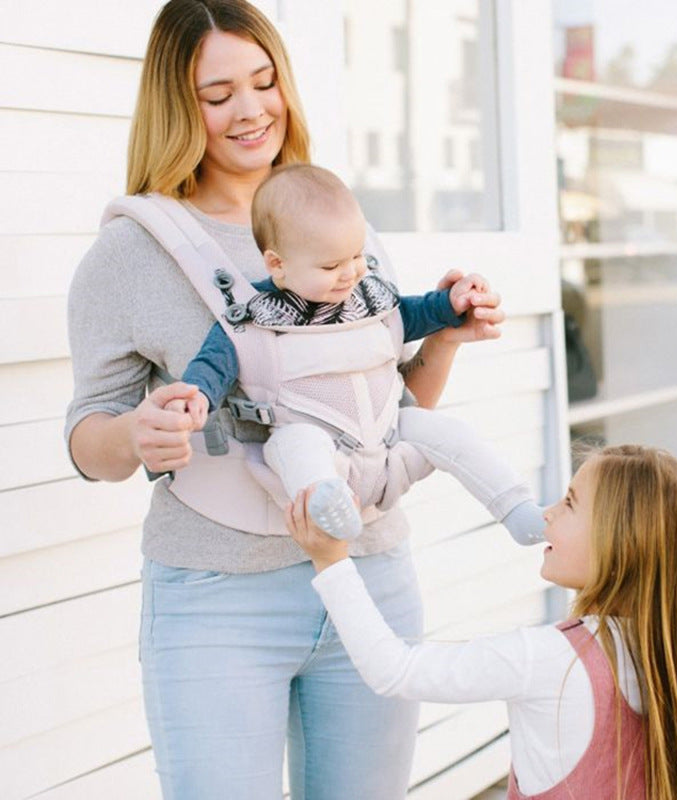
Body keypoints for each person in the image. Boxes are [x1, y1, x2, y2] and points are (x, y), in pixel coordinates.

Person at [64, 1, 504, 798]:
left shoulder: (342, 225)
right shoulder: (129, 252)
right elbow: (87, 433)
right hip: (216, 599)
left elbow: (393, 408)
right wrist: (138, 432)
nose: (251, 109)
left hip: (369, 575)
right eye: (218, 92)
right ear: (176, 104)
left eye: (264, 82)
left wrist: (444, 336)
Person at [289, 444, 677, 800]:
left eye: (570, 503)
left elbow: (395, 670)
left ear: (622, 542)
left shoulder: (550, 659)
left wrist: (331, 562)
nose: (548, 512)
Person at [168, 163, 545, 543]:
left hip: (392, 441)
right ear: (278, 264)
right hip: (323, 457)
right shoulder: (254, 321)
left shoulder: (370, 299)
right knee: (295, 445)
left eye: (356, 256)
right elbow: (212, 365)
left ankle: (518, 508)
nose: (350, 273)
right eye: (331, 265)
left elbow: (416, 313)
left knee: (452, 432)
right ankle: (332, 510)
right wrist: (196, 396)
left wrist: (452, 300)